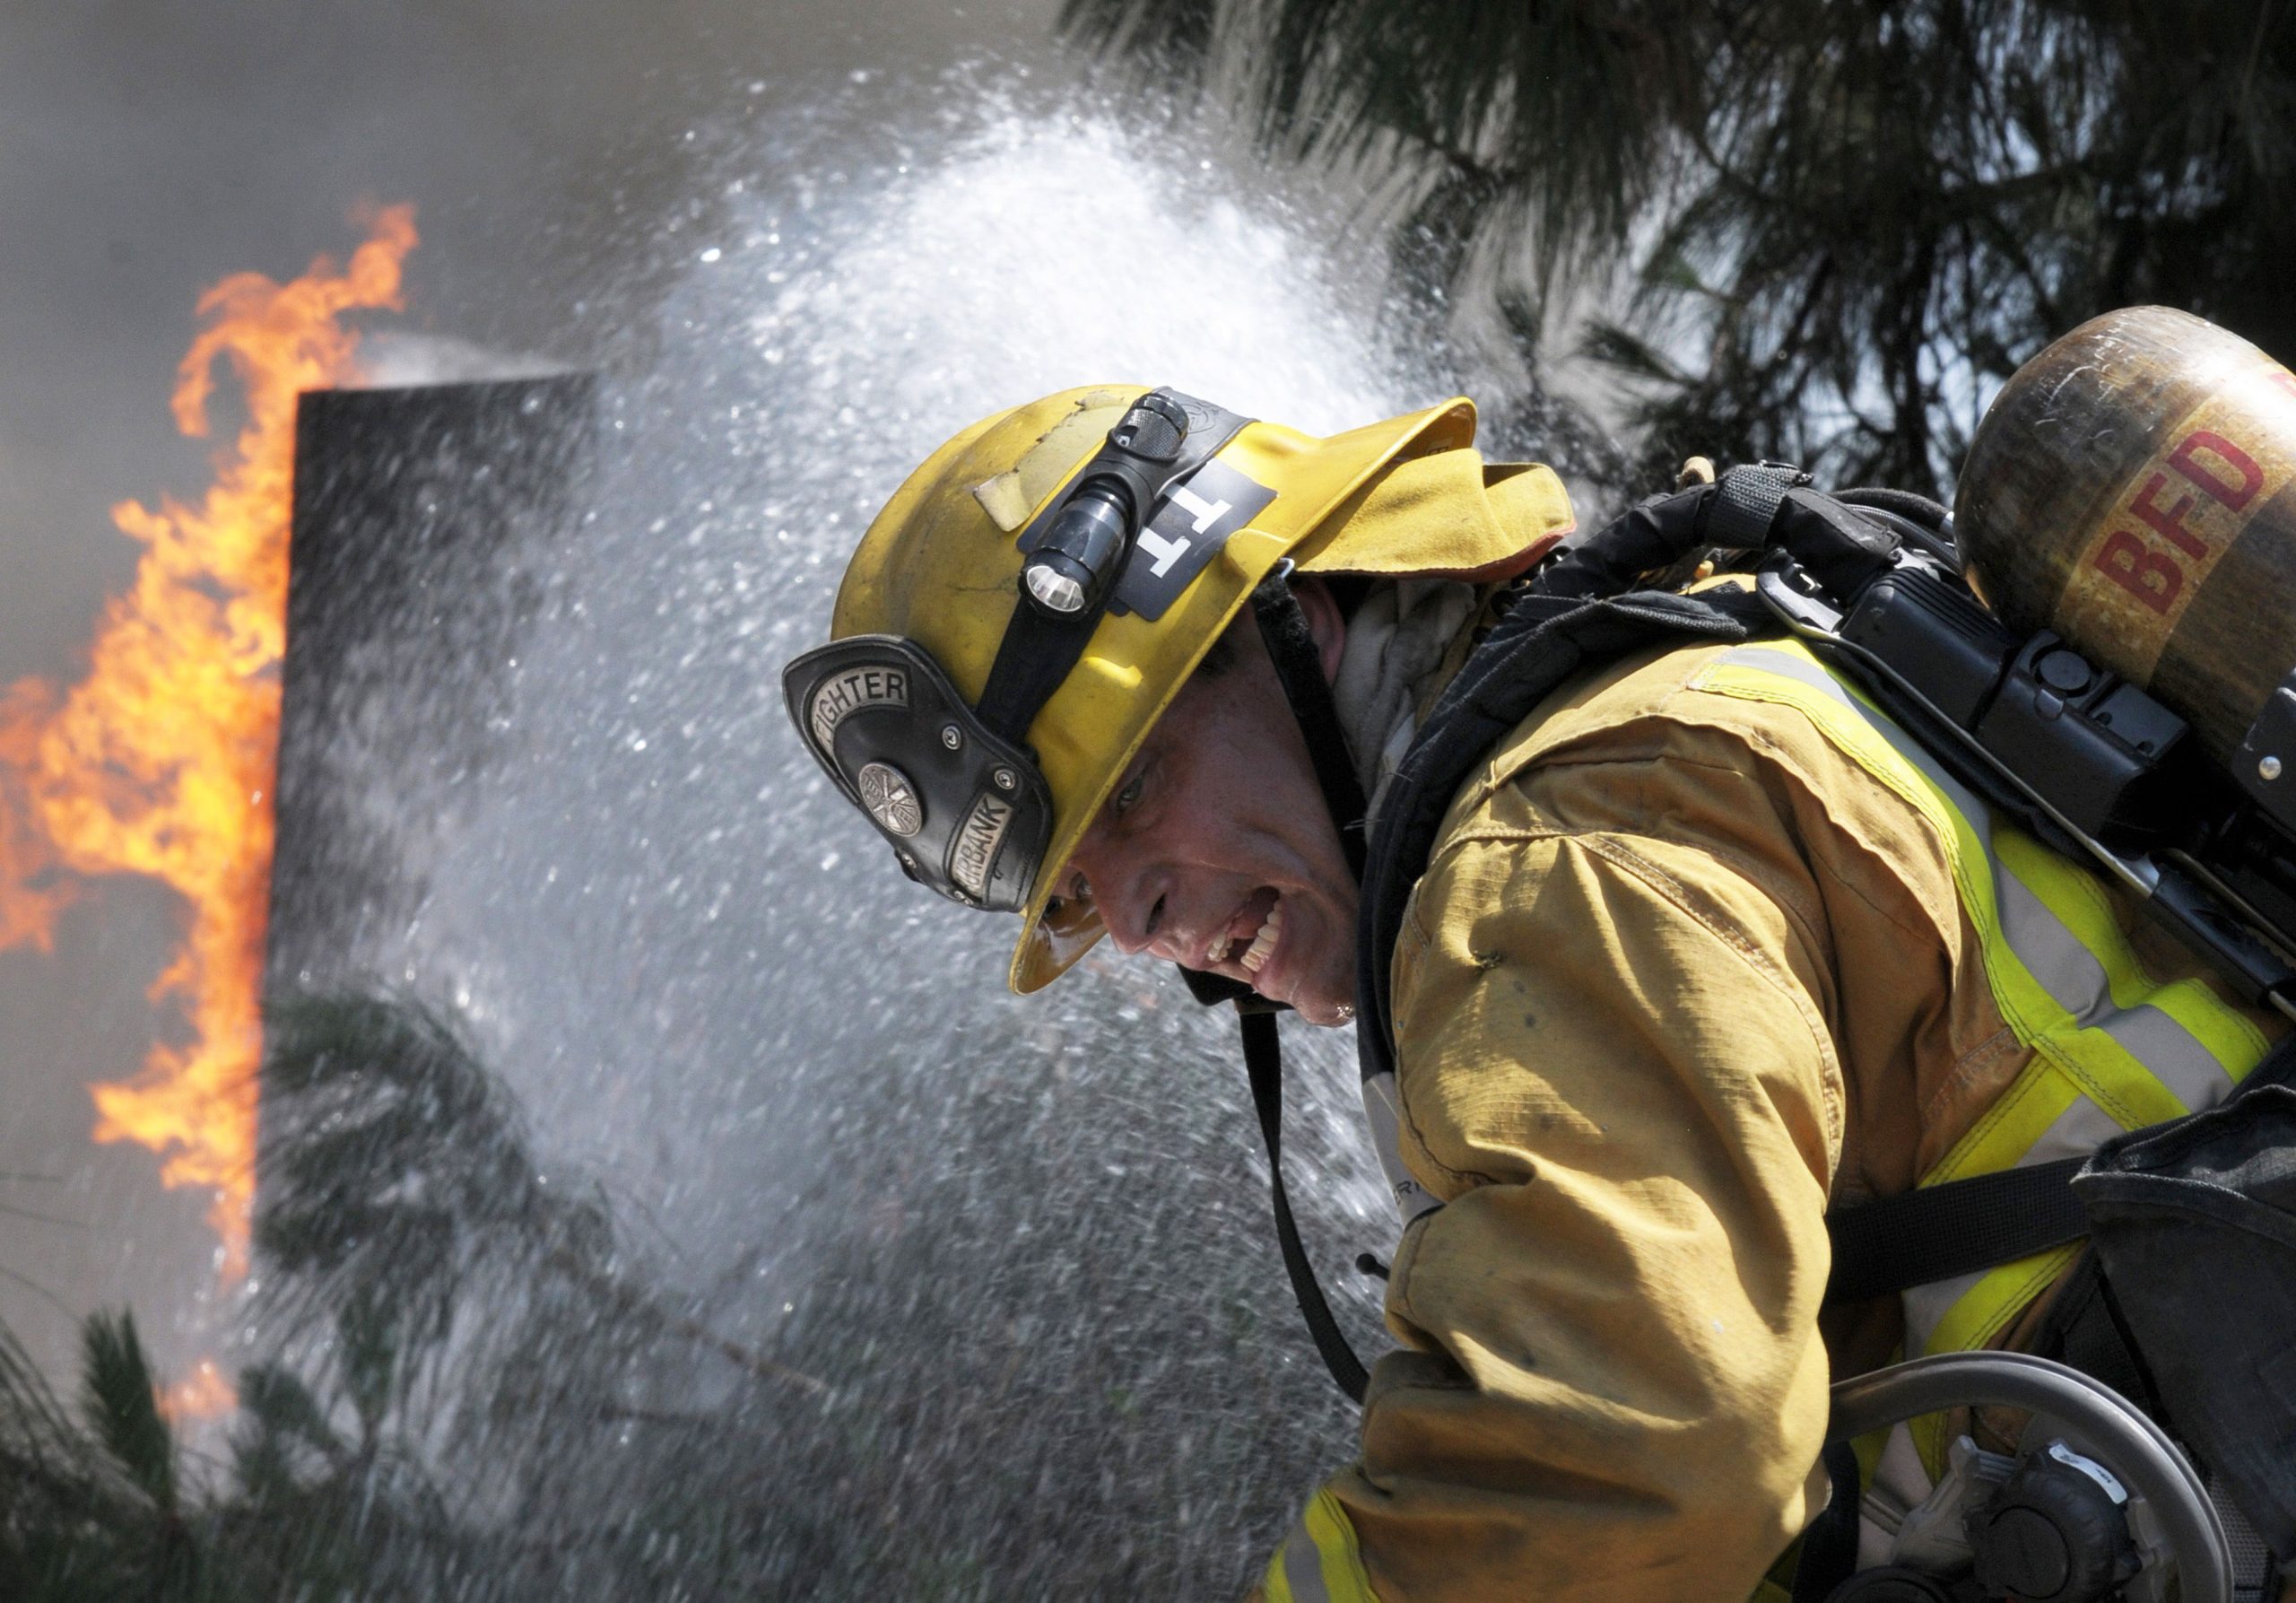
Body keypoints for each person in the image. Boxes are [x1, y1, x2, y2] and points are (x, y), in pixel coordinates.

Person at [782, 384, 2285, 1601]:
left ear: (1289, 628)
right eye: (1074, 898)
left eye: (1128, 798)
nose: (1140, 915)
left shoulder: (1559, 847)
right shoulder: (1694, 694)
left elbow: (1611, 1462)